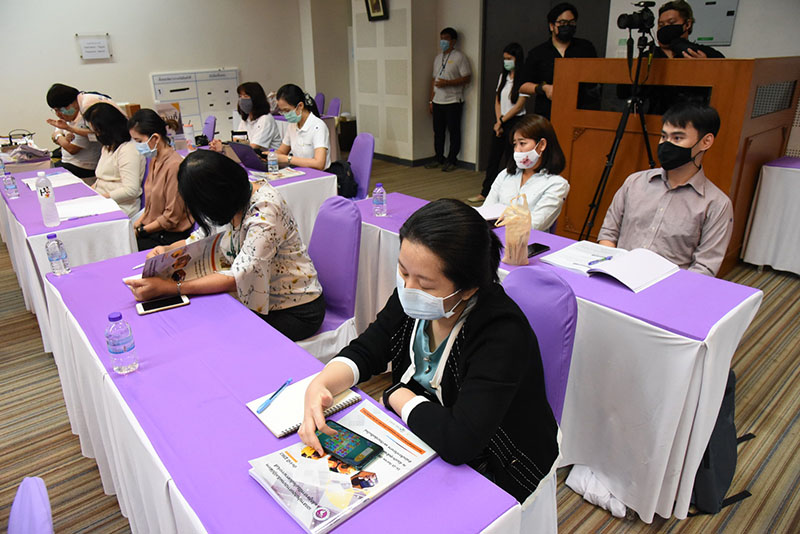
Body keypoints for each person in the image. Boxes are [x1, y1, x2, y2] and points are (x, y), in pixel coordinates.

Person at [299, 199, 559, 504]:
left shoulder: (502, 334)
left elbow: (461, 441)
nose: (409, 288)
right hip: (427, 430)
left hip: (500, 461)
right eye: (403, 271)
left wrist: (396, 395)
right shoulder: (414, 295)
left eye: (426, 284)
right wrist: (322, 384)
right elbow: (369, 348)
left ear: (469, 288)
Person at [125, 150, 325, 340]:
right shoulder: (232, 196)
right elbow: (203, 235)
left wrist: (170, 288)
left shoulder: (265, 211)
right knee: (201, 321)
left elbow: (240, 275)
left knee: (217, 335)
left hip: (294, 309)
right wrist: (168, 251)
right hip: (254, 297)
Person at [597, 102, 733, 276]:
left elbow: (704, 268)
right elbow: (608, 234)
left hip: (670, 286)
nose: (666, 145)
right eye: (663, 137)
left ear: (705, 142)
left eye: (677, 138)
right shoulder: (635, 182)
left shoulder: (717, 204)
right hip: (617, 276)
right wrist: (611, 270)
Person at [483, 115, 569, 231]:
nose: (517, 150)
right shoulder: (505, 174)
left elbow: (536, 224)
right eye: (515, 144)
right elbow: (486, 210)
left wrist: (503, 219)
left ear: (541, 145)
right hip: (495, 235)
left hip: (528, 239)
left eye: (522, 143)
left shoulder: (556, 184)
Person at [469, 43, 528, 203]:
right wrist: (498, 121)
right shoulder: (503, 77)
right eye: (504, 58)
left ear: (517, 59)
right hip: (500, 121)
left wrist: (502, 120)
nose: (506, 61)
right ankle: (485, 192)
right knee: (493, 158)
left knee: (512, 159)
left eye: (509, 58)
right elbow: (497, 101)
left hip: (515, 122)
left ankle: (511, 195)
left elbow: (519, 105)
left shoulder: (523, 79)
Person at [127, 109, 194, 251]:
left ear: (155, 138)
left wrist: (140, 231)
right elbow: (150, 206)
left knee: (126, 250)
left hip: (167, 235)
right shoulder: (155, 160)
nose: (137, 146)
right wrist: (137, 225)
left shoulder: (174, 166)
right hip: (153, 228)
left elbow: (171, 217)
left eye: (139, 141)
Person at [519, 3, 597, 120]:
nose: (567, 26)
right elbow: (522, 85)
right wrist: (544, 88)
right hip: (547, 113)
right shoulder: (538, 52)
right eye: (562, 23)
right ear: (552, 26)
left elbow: (595, 79)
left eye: (571, 23)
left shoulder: (586, 48)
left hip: (580, 112)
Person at [83, 103, 145, 218]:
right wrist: (87, 194)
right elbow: (101, 180)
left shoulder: (128, 150)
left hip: (121, 206)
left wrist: (100, 198)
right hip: (103, 200)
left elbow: (131, 190)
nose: (97, 135)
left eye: (98, 131)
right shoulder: (108, 147)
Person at [425, 27, 472, 172]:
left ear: (453, 41)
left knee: (454, 131)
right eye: (441, 39)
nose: (443, 42)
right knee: (438, 132)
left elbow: (467, 78)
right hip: (438, 101)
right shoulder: (437, 58)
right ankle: (438, 157)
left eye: (446, 39)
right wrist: (431, 100)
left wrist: (448, 83)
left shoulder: (460, 57)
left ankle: (452, 160)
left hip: (453, 101)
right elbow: (433, 80)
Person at [44, 84, 104, 182]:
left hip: (82, 167)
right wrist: (61, 137)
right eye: (55, 110)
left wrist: (59, 136)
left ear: (73, 103)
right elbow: (55, 134)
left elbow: (72, 149)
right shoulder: (68, 116)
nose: (59, 114)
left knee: (47, 176)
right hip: (67, 162)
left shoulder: (84, 118)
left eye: (60, 109)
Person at [273, 84, 331, 170]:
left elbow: (319, 163)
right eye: (282, 111)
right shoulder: (292, 125)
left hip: (319, 174)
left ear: (300, 106)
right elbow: (282, 151)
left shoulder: (318, 126)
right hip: (300, 171)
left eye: (287, 110)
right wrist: (272, 156)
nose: (285, 115)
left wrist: (287, 159)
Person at [654, 1, 725, 59]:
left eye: (671, 23)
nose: (665, 28)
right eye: (661, 25)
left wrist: (705, 65)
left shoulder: (708, 53)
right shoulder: (650, 56)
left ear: (687, 24)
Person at [233, 82, 282, 150]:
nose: (242, 100)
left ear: (256, 99)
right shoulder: (247, 118)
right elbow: (236, 140)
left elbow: (255, 146)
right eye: (240, 96)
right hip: (254, 154)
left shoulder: (266, 119)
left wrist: (243, 143)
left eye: (246, 96)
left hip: (269, 156)